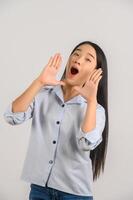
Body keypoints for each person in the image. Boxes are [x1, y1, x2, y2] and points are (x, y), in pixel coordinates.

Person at [4, 41, 109, 200]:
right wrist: (39, 82)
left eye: (88, 59)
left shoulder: (96, 110)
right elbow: (12, 117)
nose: (78, 60)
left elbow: (86, 143)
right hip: (39, 190)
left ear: (95, 73)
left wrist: (91, 100)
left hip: (75, 194)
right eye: (76, 54)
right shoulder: (43, 96)